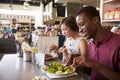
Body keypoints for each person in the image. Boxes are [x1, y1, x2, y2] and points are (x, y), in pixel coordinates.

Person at [72, 6, 120, 80]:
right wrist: (81, 65)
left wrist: (96, 64)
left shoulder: (117, 43)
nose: (80, 30)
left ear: (95, 20)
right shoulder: (92, 44)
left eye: (81, 24)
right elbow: (93, 72)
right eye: (78, 27)